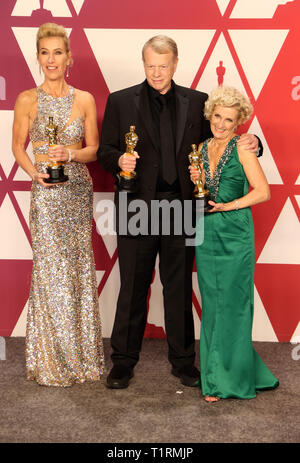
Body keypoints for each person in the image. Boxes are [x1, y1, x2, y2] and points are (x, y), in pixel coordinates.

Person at [98, 35, 260, 389]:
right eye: (150, 66)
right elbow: (105, 150)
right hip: (137, 205)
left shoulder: (199, 102)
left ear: (175, 64)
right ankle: (123, 361)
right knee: (133, 286)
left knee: (178, 287)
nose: (157, 73)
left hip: (181, 207)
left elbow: (223, 138)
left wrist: (255, 143)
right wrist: (118, 160)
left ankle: (184, 361)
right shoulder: (120, 100)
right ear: (144, 64)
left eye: (163, 65)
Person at [12, 23, 105, 387]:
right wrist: (35, 172)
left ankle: (81, 357)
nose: (52, 59)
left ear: (69, 58)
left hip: (77, 192)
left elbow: (94, 149)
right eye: (45, 52)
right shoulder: (26, 99)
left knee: (78, 270)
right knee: (50, 272)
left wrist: (71, 153)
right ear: (38, 57)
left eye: (58, 52)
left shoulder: (84, 99)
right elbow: (18, 146)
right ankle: (50, 358)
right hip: (47, 197)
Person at [190, 86, 279, 402]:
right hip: (205, 233)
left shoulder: (243, 148)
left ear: (239, 121)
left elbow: (263, 191)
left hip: (235, 234)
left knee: (235, 306)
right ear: (210, 114)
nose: (221, 123)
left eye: (229, 119)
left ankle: (223, 381)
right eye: (217, 116)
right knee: (213, 306)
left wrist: (228, 206)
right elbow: (201, 191)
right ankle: (230, 371)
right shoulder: (199, 149)